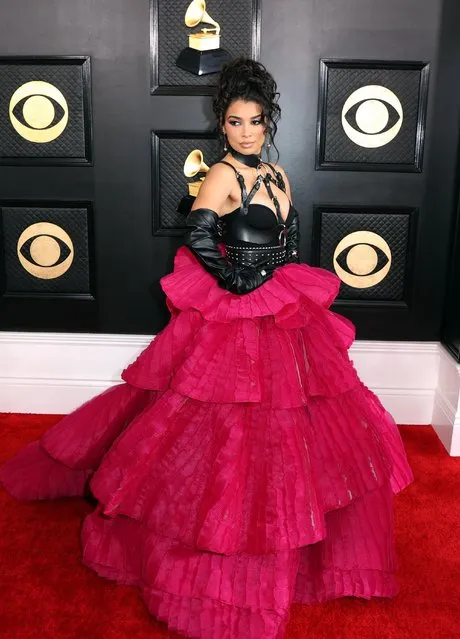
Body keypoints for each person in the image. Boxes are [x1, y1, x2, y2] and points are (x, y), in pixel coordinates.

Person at [0, 58, 413, 639]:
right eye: (235, 122)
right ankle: (216, 550)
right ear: (222, 125)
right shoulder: (222, 175)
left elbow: (288, 244)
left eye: (255, 121)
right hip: (234, 308)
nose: (245, 131)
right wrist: (236, 281)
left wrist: (280, 281)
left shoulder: (277, 176)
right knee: (215, 428)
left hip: (280, 305)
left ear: (268, 122)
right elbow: (197, 233)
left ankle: (291, 543)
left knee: (299, 421)